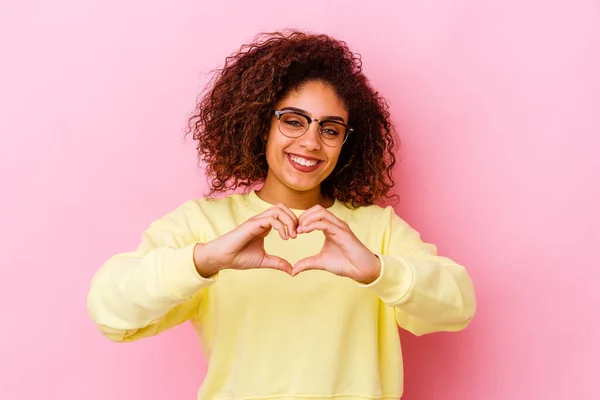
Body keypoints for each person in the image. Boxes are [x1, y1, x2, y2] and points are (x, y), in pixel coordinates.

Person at [87, 30, 476, 400]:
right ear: (261, 124)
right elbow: (111, 311)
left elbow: (457, 305)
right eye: (293, 120)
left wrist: (377, 271)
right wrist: (205, 261)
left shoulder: (378, 229)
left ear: (346, 142)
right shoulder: (203, 226)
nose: (310, 141)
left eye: (330, 128)